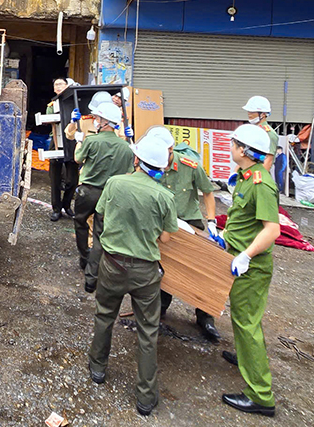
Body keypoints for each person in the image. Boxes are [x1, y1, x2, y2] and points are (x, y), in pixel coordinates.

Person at [87, 129, 179, 416]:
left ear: (136, 160)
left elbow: (100, 215)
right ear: (162, 166)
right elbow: (165, 239)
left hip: (112, 265)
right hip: (145, 272)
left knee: (105, 315)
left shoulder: (115, 184)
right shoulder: (165, 196)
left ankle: (98, 369)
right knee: (148, 331)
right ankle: (145, 398)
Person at [216, 123, 280, 417]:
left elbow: (273, 230)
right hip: (238, 258)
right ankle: (244, 358)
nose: (230, 146)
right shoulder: (245, 176)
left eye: (233, 143)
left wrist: (245, 254)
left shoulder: (261, 184)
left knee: (247, 324)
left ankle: (261, 396)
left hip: (250, 267)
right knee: (241, 319)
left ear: (243, 151)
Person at [153, 127, 222, 343]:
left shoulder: (189, 166)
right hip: (163, 222)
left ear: (171, 149)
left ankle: (205, 316)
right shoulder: (151, 163)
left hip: (189, 221)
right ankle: (159, 308)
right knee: (162, 267)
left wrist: (211, 222)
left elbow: (208, 192)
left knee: (201, 269)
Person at [65, 99, 133, 292]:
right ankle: (92, 277)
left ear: (104, 121)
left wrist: (79, 142)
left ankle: (84, 258)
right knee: (100, 234)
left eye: (96, 117)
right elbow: (129, 171)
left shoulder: (92, 140)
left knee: (80, 222)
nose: (94, 120)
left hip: (88, 192)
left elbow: (78, 158)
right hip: (111, 195)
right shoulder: (125, 147)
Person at [46, 77, 77, 221]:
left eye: (61, 84)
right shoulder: (51, 104)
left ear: (67, 86)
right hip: (56, 140)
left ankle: (67, 204)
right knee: (55, 178)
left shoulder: (75, 101)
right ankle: (56, 209)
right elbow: (47, 120)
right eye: (56, 84)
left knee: (72, 178)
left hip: (72, 141)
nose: (58, 86)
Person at [243, 96, 279, 166]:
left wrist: (258, 176)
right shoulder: (252, 130)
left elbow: (268, 160)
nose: (249, 113)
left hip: (258, 172)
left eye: (252, 111)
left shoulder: (268, 133)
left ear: (263, 114)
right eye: (248, 111)